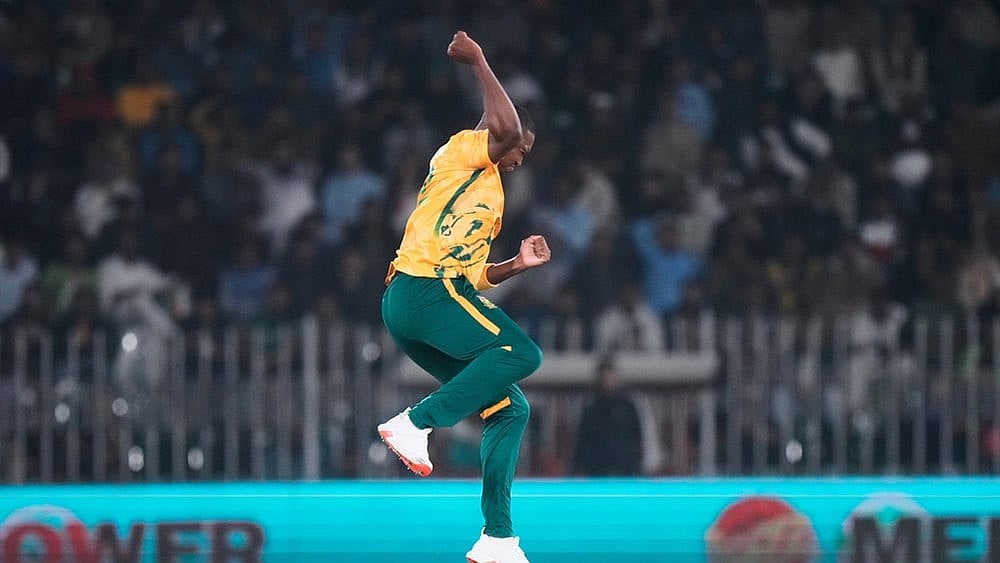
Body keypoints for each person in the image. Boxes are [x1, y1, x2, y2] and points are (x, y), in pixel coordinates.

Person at [376, 31, 550, 563]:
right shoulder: (462, 151)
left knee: (510, 408)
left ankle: (497, 538)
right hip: (425, 290)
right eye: (521, 150)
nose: (519, 157)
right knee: (521, 353)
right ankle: (414, 422)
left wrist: (513, 266)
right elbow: (505, 127)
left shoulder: (487, 191)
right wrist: (478, 60)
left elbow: (470, 277)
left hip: (419, 301)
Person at [572, 360, 643, 476]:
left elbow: (637, 437)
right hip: (597, 467)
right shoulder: (590, 406)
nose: (608, 381)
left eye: (610, 376)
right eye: (604, 377)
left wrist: (639, 464)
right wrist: (578, 465)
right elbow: (582, 438)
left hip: (624, 467)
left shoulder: (628, 405)